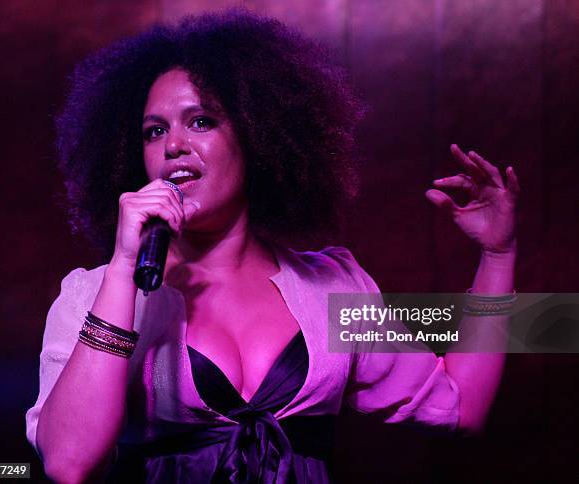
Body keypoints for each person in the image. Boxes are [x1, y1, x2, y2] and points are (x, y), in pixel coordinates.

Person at [25, 9, 520, 483]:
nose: (172, 144)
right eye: (155, 131)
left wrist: (498, 256)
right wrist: (124, 267)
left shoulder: (332, 287)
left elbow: (461, 406)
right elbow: (69, 464)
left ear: (258, 136)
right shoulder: (97, 293)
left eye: (200, 121)